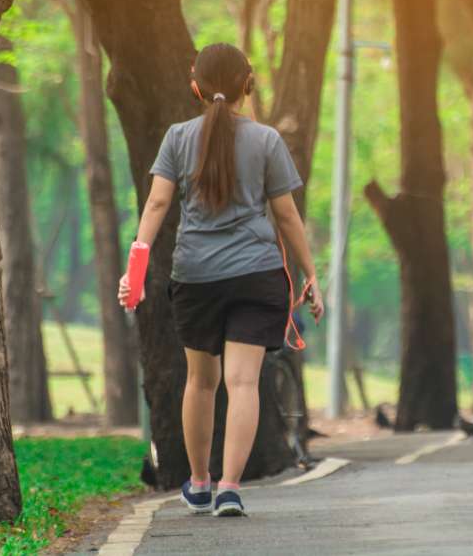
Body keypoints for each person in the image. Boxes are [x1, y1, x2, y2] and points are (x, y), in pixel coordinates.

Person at [117, 43, 324, 517]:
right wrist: (311, 273)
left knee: (202, 382)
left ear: (195, 86)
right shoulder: (267, 140)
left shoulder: (176, 138)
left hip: (197, 279)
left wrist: (135, 274)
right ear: (246, 86)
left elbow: (156, 206)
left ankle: (199, 482)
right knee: (244, 382)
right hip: (256, 275)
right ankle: (230, 487)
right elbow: (287, 215)